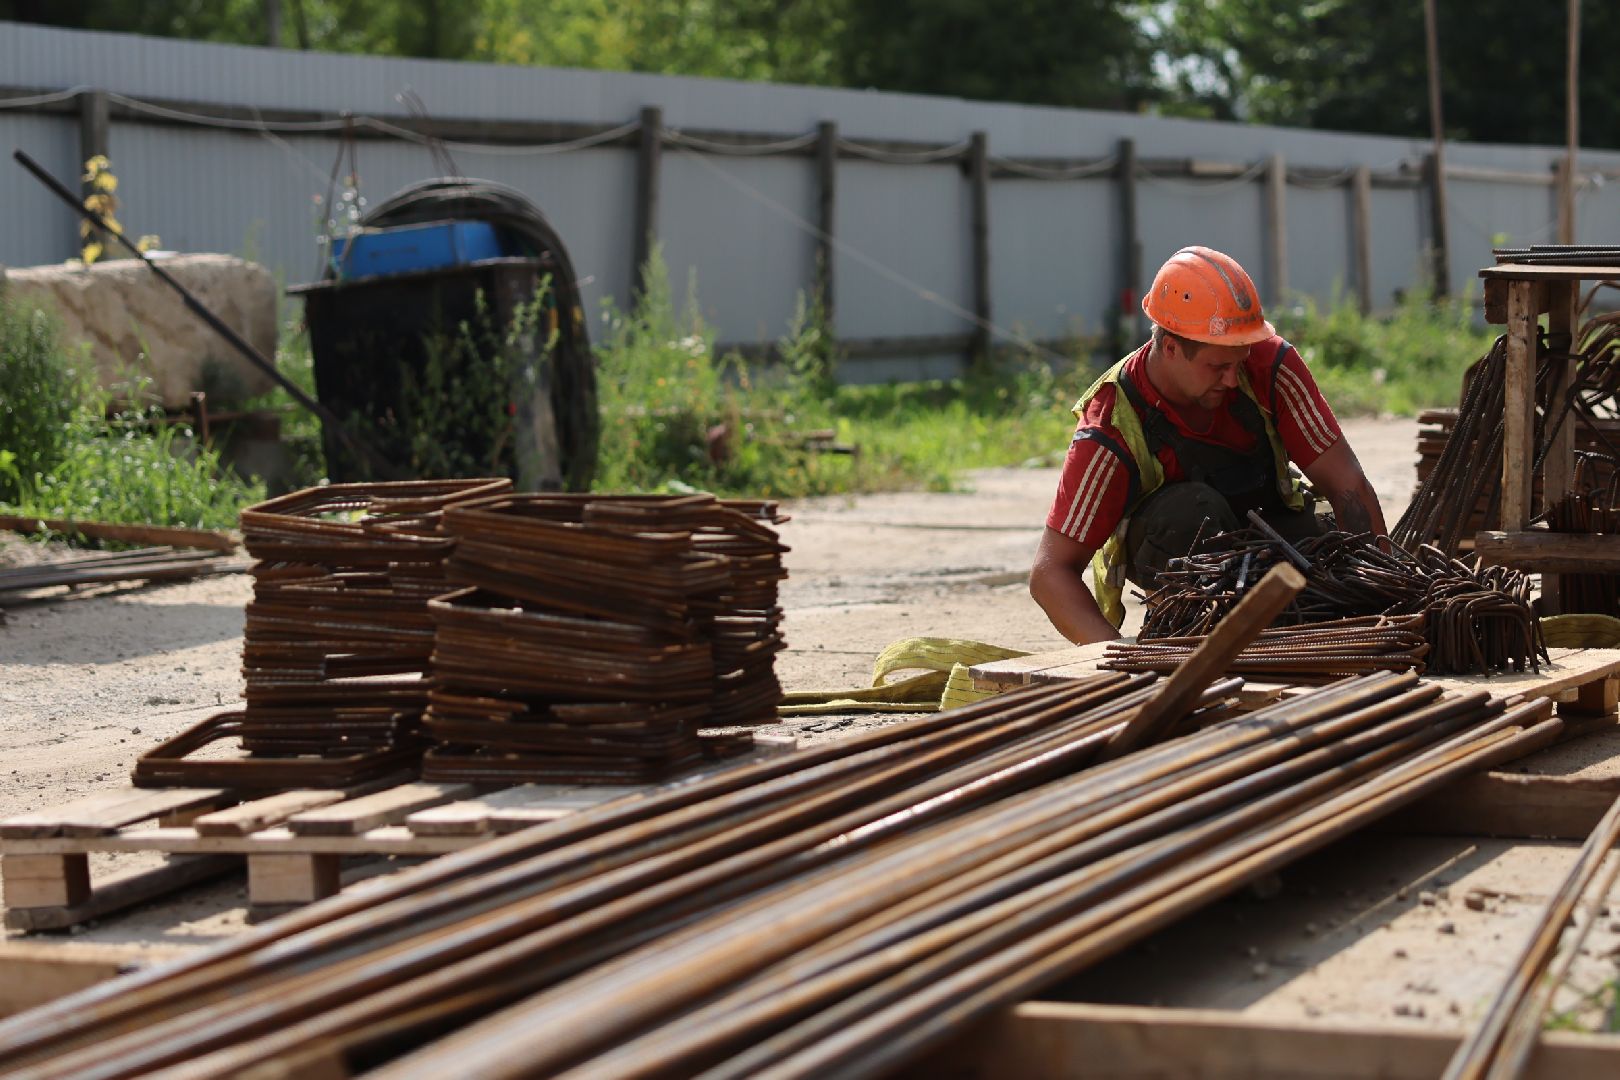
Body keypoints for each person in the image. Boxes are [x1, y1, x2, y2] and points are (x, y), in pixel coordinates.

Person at [1029, 245, 1387, 644]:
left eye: (1240, 362)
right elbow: (1050, 574)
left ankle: (1286, 627)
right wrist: (1122, 664)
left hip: (1266, 539)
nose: (1234, 379)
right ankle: (1191, 635)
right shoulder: (1112, 424)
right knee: (1190, 510)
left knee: (1328, 538)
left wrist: (1386, 600)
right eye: (1218, 367)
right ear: (1170, 348)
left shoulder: (1270, 366)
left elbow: (1348, 486)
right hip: (1190, 564)